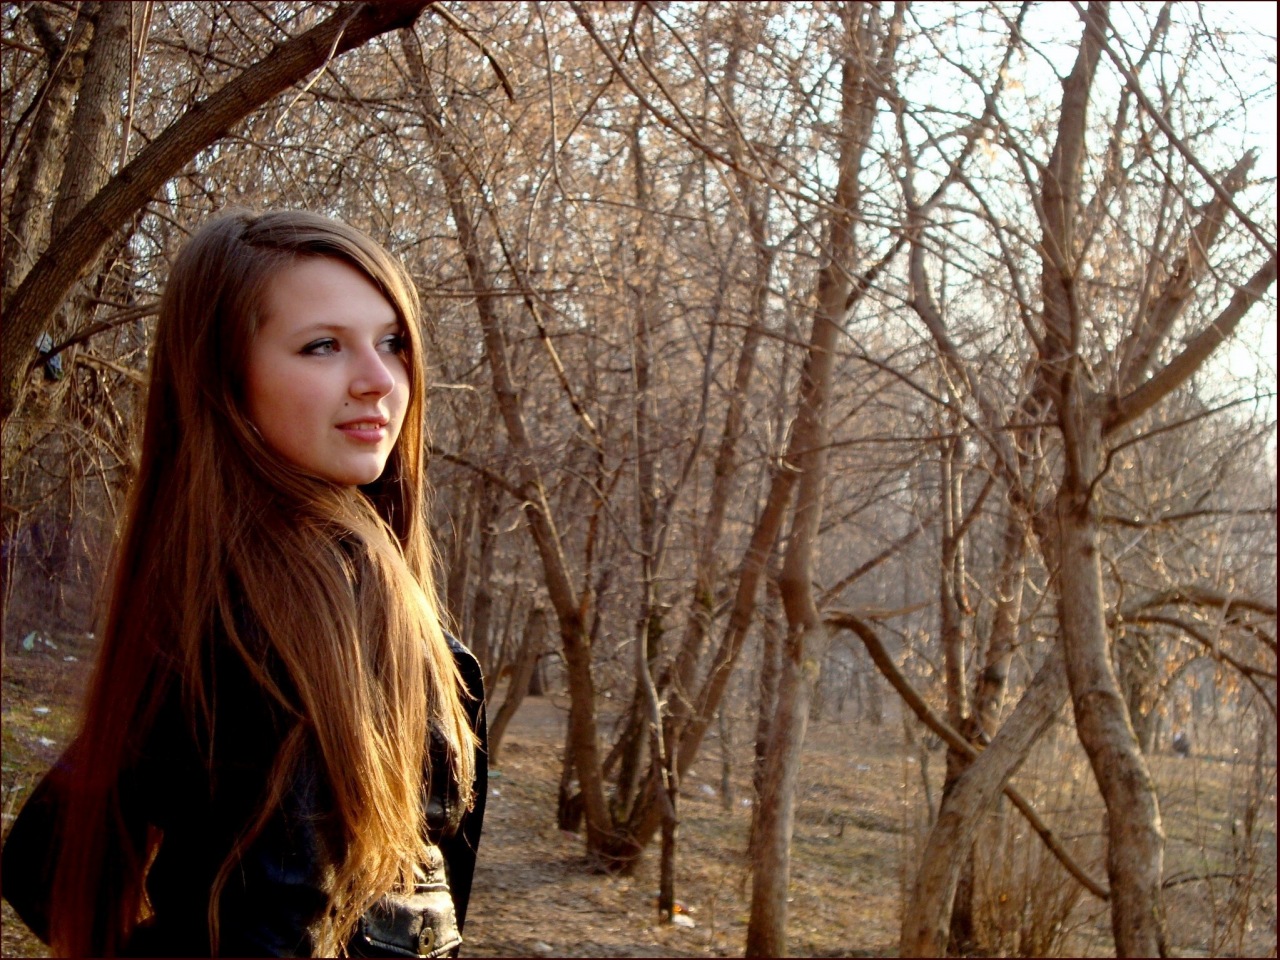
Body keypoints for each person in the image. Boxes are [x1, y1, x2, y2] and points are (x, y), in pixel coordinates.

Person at [1, 211, 487, 957]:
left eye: (392, 342)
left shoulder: (204, 594)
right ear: (226, 380)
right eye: (323, 345)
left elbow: (41, 868)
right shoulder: (288, 615)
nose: (380, 381)